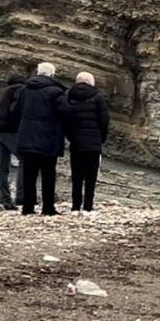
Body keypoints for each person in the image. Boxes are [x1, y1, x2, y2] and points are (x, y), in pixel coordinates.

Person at [11, 62, 68, 216]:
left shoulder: (24, 90)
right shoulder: (56, 92)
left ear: (38, 73)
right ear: (52, 75)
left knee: (29, 174)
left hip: (27, 137)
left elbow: (15, 111)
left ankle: (28, 207)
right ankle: (48, 208)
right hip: (48, 139)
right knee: (48, 174)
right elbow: (65, 112)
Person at [63, 72, 110, 215]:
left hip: (76, 143)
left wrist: (71, 137)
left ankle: (75, 206)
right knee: (91, 176)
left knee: (76, 176)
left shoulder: (68, 96)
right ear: (91, 82)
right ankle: (88, 206)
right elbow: (104, 119)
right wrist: (101, 138)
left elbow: (65, 119)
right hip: (93, 143)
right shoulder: (97, 96)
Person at [0, 73, 26, 210]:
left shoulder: (4, 92)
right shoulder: (19, 90)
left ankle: (6, 200)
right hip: (9, 129)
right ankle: (21, 198)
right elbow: (15, 110)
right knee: (24, 159)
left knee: (3, 165)